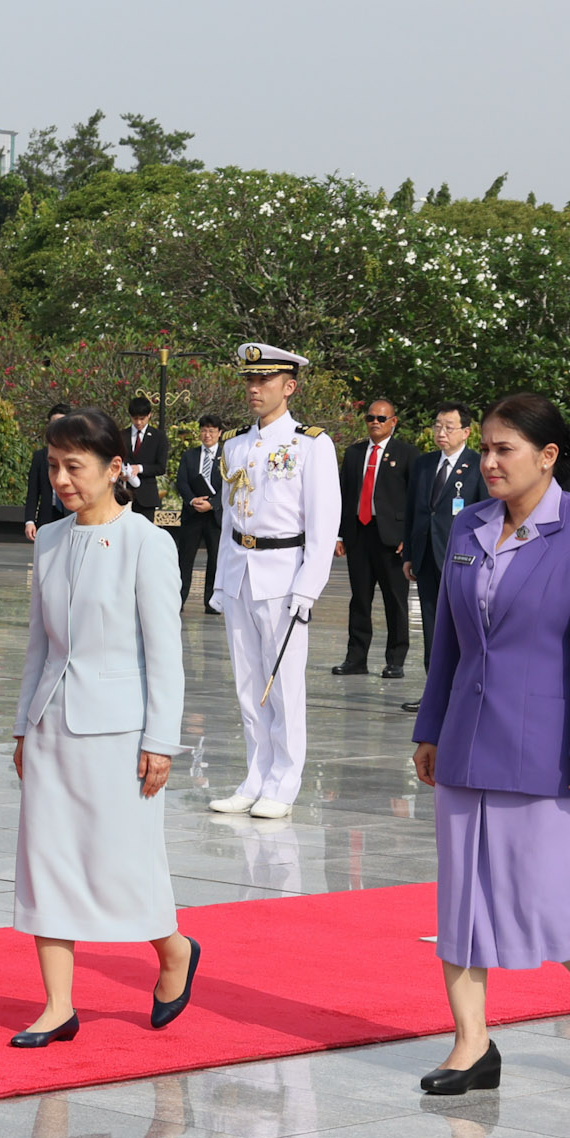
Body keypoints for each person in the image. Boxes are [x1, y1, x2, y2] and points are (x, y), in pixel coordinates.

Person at [409, 392, 570, 1095]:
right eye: (486, 448)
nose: (490, 462)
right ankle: (471, 1045)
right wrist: (430, 725)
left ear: (549, 456)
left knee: (552, 898)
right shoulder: (470, 524)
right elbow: (448, 637)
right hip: (468, 737)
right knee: (461, 897)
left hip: (549, 745)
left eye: (506, 449)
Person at [9, 408, 198, 1048]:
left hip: (121, 731)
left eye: (75, 467)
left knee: (123, 861)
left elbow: (164, 652)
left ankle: (173, 950)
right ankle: (58, 1005)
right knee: (47, 859)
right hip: (52, 724)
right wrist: (20, 726)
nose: (62, 479)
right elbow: (40, 643)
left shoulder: (149, 542)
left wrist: (160, 741)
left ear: (115, 469)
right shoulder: (50, 538)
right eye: (54, 466)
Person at [208, 344, 339, 822]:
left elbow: (324, 525)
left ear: (290, 386)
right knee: (247, 684)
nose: (254, 389)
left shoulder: (311, 444)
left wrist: (308, 588)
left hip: (285, 574)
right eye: (249, 381)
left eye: (264, 381)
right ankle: (254, 777)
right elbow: (228, 520)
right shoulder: (236, 444)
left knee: (283, 685)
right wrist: (221, 583)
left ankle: (284, 781)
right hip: (242, 570)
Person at [402, 405, 481, 706]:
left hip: (463, 561)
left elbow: (487, 513)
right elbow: (414, 513)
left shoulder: (478, 465)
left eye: (449, 426)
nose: (441, 432)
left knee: (462, 628)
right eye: (437, 426)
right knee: (432, 628)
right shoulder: (423, 465)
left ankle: (463, 693)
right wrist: (409, 553)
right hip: (426, 558)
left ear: (466, 432)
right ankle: (434, 694)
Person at [334, 398, 414, 679]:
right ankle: (356, 659)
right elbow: (344, 496)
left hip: (392, 539)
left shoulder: (407, 454)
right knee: (359, 600)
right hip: (359, 534)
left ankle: (395, 660)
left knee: (395, 601)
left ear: (393, 422)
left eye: (382, 418)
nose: (375, 423)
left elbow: (415, 499)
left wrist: (410, 537)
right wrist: (339, 534)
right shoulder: (355, 453)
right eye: (371, 418)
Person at [175, 414, 226, 608]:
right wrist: (192, 500)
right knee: (185, 560)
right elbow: (182, 481)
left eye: (211, 431)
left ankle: (212, 602)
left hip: (215, 517)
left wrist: (212, 504)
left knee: (215, 560)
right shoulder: (190, 455)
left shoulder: (226, 457)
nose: (207, 435)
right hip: (192, 514)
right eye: (204, 430)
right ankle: (178, 600)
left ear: (219, 433)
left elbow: (229, 486)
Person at [23, 403, 73, 542]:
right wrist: (29, 521)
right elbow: (33, 492)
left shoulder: (78, 455)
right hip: (47, 516)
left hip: (72, 515)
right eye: (54, 423)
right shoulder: (40, 456)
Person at [121, 396, 167, 523]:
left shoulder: (159, 437)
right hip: (124, 495)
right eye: (135, 418)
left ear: (149, 415)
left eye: (142, 419)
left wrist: (140, 468)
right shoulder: (122, 435)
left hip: (146, 496)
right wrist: (121, 474)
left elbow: (161, 467)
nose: (139, 423)